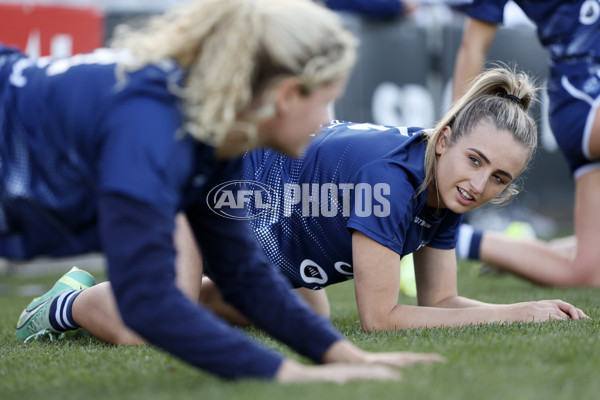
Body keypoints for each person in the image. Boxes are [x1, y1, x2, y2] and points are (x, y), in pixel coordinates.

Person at [8, 0, 443, 382]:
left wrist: (343, 356)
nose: (328, 122)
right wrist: (284, 373)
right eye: (326, 101)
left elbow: (242, 272)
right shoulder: (154, 126)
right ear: (288, 94)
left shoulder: (208, 127)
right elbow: (148, 303)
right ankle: (64, 306)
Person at [50, 67, 586, 339]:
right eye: (475, 160)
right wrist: (519, 310)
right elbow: (381, 318)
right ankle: (63, 306)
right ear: (443, 140)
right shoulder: (391, 181)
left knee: (309, 308)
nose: (479, 184)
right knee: (155, 330)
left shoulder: (442, 192)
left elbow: (441, 302)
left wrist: (524, 312)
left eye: (498, 177)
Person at [451, 0, 600, 287]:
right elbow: (473, 45)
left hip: (576, 100)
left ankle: (461, 240)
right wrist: (457, 124)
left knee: (585, 273)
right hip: (585, 96)